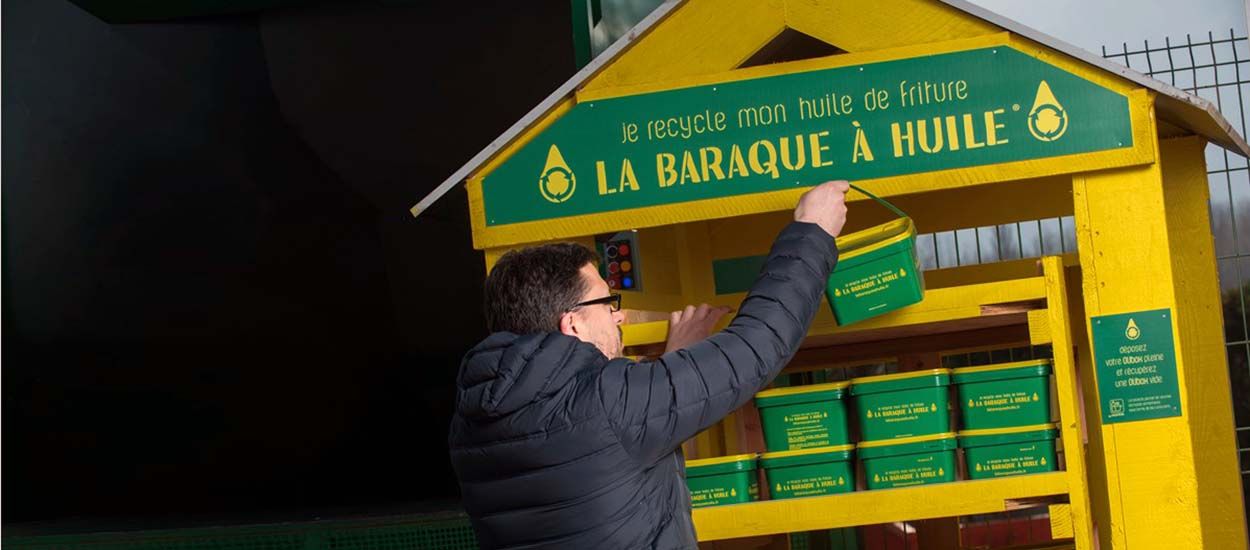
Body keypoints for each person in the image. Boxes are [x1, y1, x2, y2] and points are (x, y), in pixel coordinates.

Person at [449, 180, 851, 549]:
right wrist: (812, 231)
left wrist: (669, 366)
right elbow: (754, 347)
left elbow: (604, 468)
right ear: (571, 323)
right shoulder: (609, 403)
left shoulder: (472, 424)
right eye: (607, 304)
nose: (619, 316)